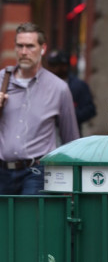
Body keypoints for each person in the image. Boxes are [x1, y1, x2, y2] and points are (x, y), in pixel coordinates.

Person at [0, 23, 79, 195]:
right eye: (20, 46)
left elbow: (70, 139)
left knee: (29, 221)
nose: (24, 51)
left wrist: (70, 185)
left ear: (43, 49)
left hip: (36, 173)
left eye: (30, 46)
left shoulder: (58, 88)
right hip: (2, 171)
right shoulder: (1, 81)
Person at [47, 49, 97, 135]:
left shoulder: (78, 85)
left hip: (70, 135)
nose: (51, 69)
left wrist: (69, 115)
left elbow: (90, 110)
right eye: (50, 65)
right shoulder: (44, 83)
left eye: (54, 65)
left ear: (64, 66)